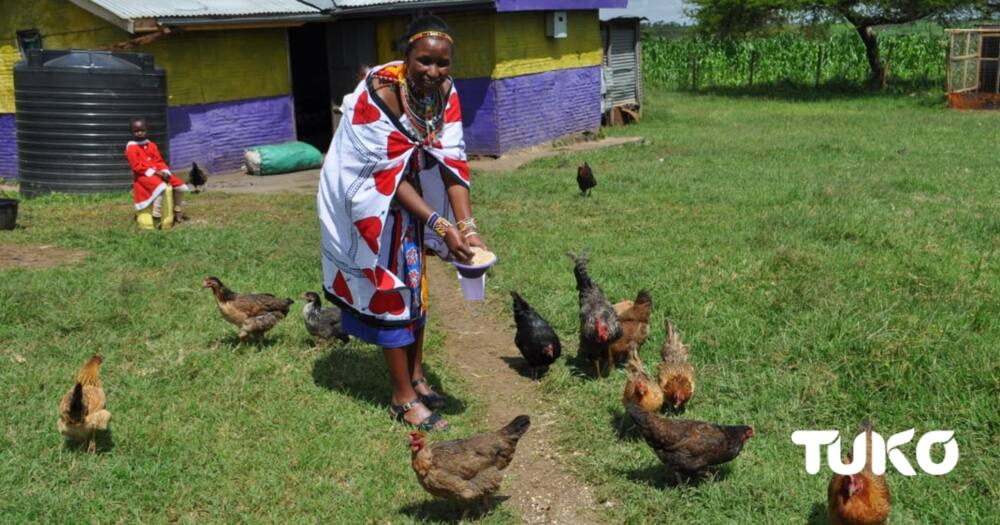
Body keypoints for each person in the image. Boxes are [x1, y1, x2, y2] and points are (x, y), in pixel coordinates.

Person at [318, 16, 486, 432]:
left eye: (442, 63)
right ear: (406, 55)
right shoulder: (380, 93)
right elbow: (382, 177)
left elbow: (453, 160)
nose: (433, 71)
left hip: (411, 200)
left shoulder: (445, 93)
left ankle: (416, 376)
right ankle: (401, 398)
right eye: (424, 60)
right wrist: (442, 225)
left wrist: (467, 226)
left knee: (417, 288)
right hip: (371, 204)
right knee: (392, 291)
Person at [126, 118, 189, 224]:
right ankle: (157, 215)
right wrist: (156, 173)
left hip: (157, 172)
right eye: (136, 131)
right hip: (143, 175)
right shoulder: (131, 148)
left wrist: (164, 171)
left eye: (142, 130)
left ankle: (177, 210)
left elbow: (158, 161)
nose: (140, 133)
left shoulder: (152, 145)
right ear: (132, 132)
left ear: (147, 130)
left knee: (179, 184)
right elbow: (136, 167)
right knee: (160, 187)